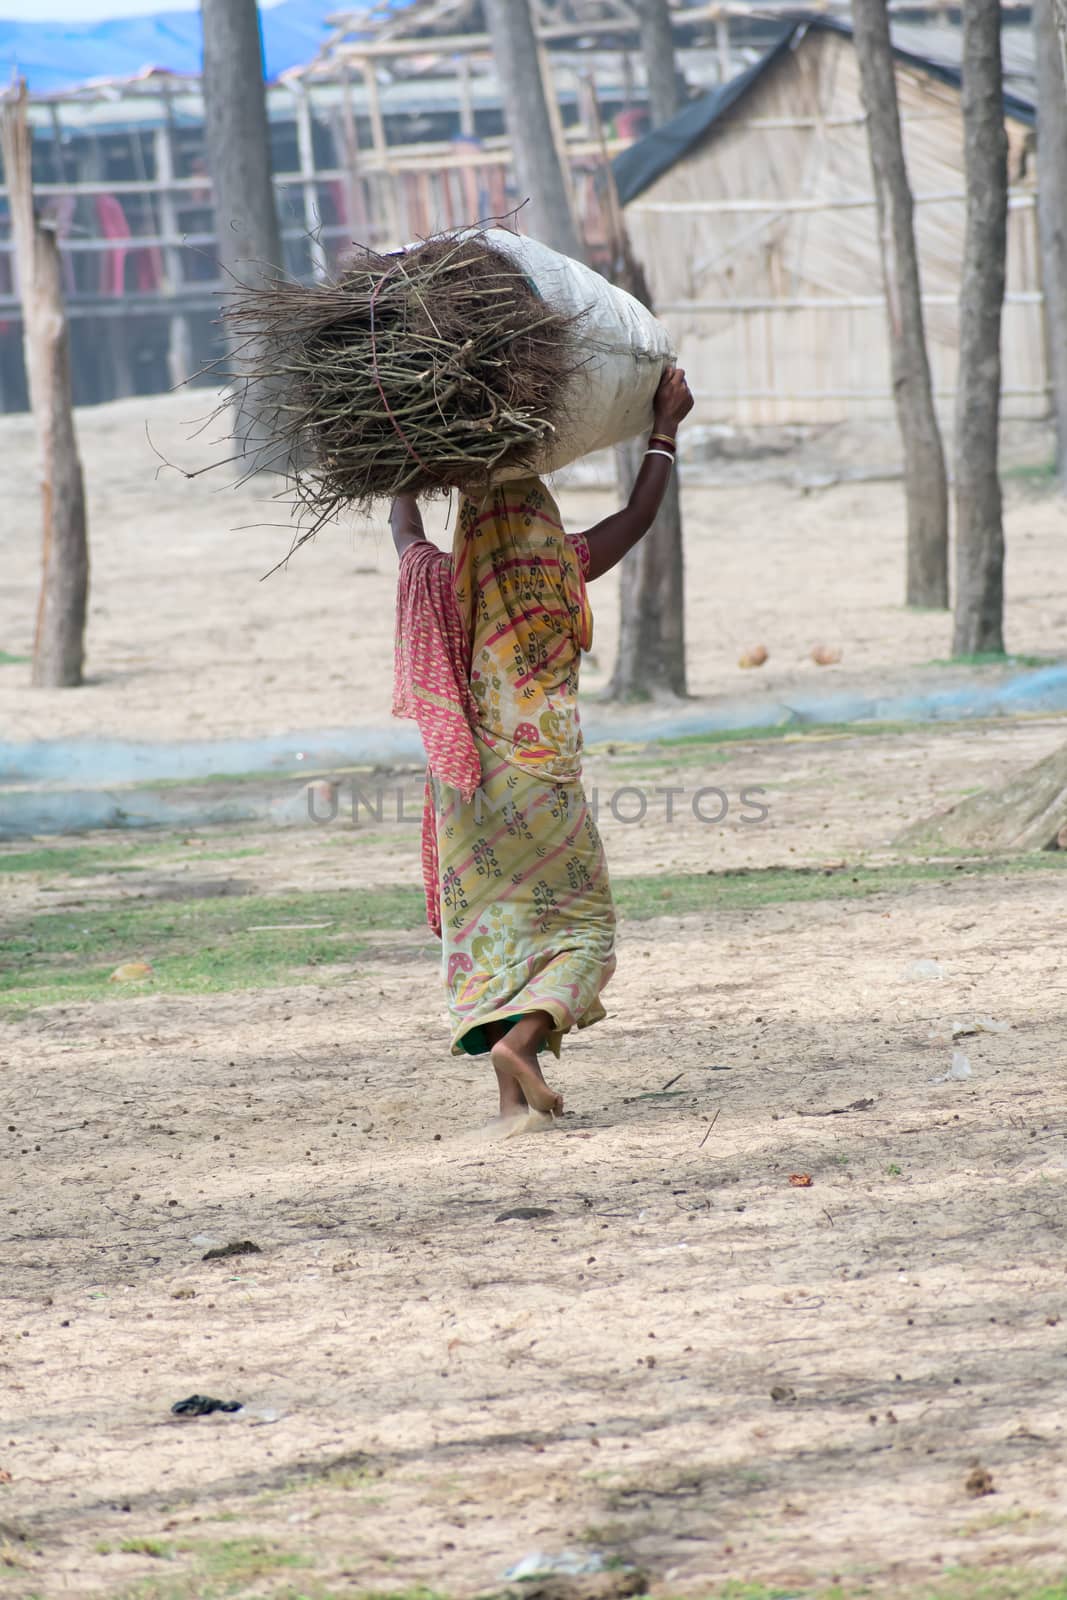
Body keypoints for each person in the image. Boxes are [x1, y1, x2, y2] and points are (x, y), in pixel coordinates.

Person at [391, 366, 693, 1122]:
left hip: (464, 783)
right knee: (585, 933)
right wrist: (664, 428)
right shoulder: (566, 564)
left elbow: (405, 530)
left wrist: (397, 455)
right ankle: (520, 1044)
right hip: (541, 779)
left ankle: (510, 1109)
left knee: (497, 933)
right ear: (543, 517)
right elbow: (640, 512)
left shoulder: (441, 579)